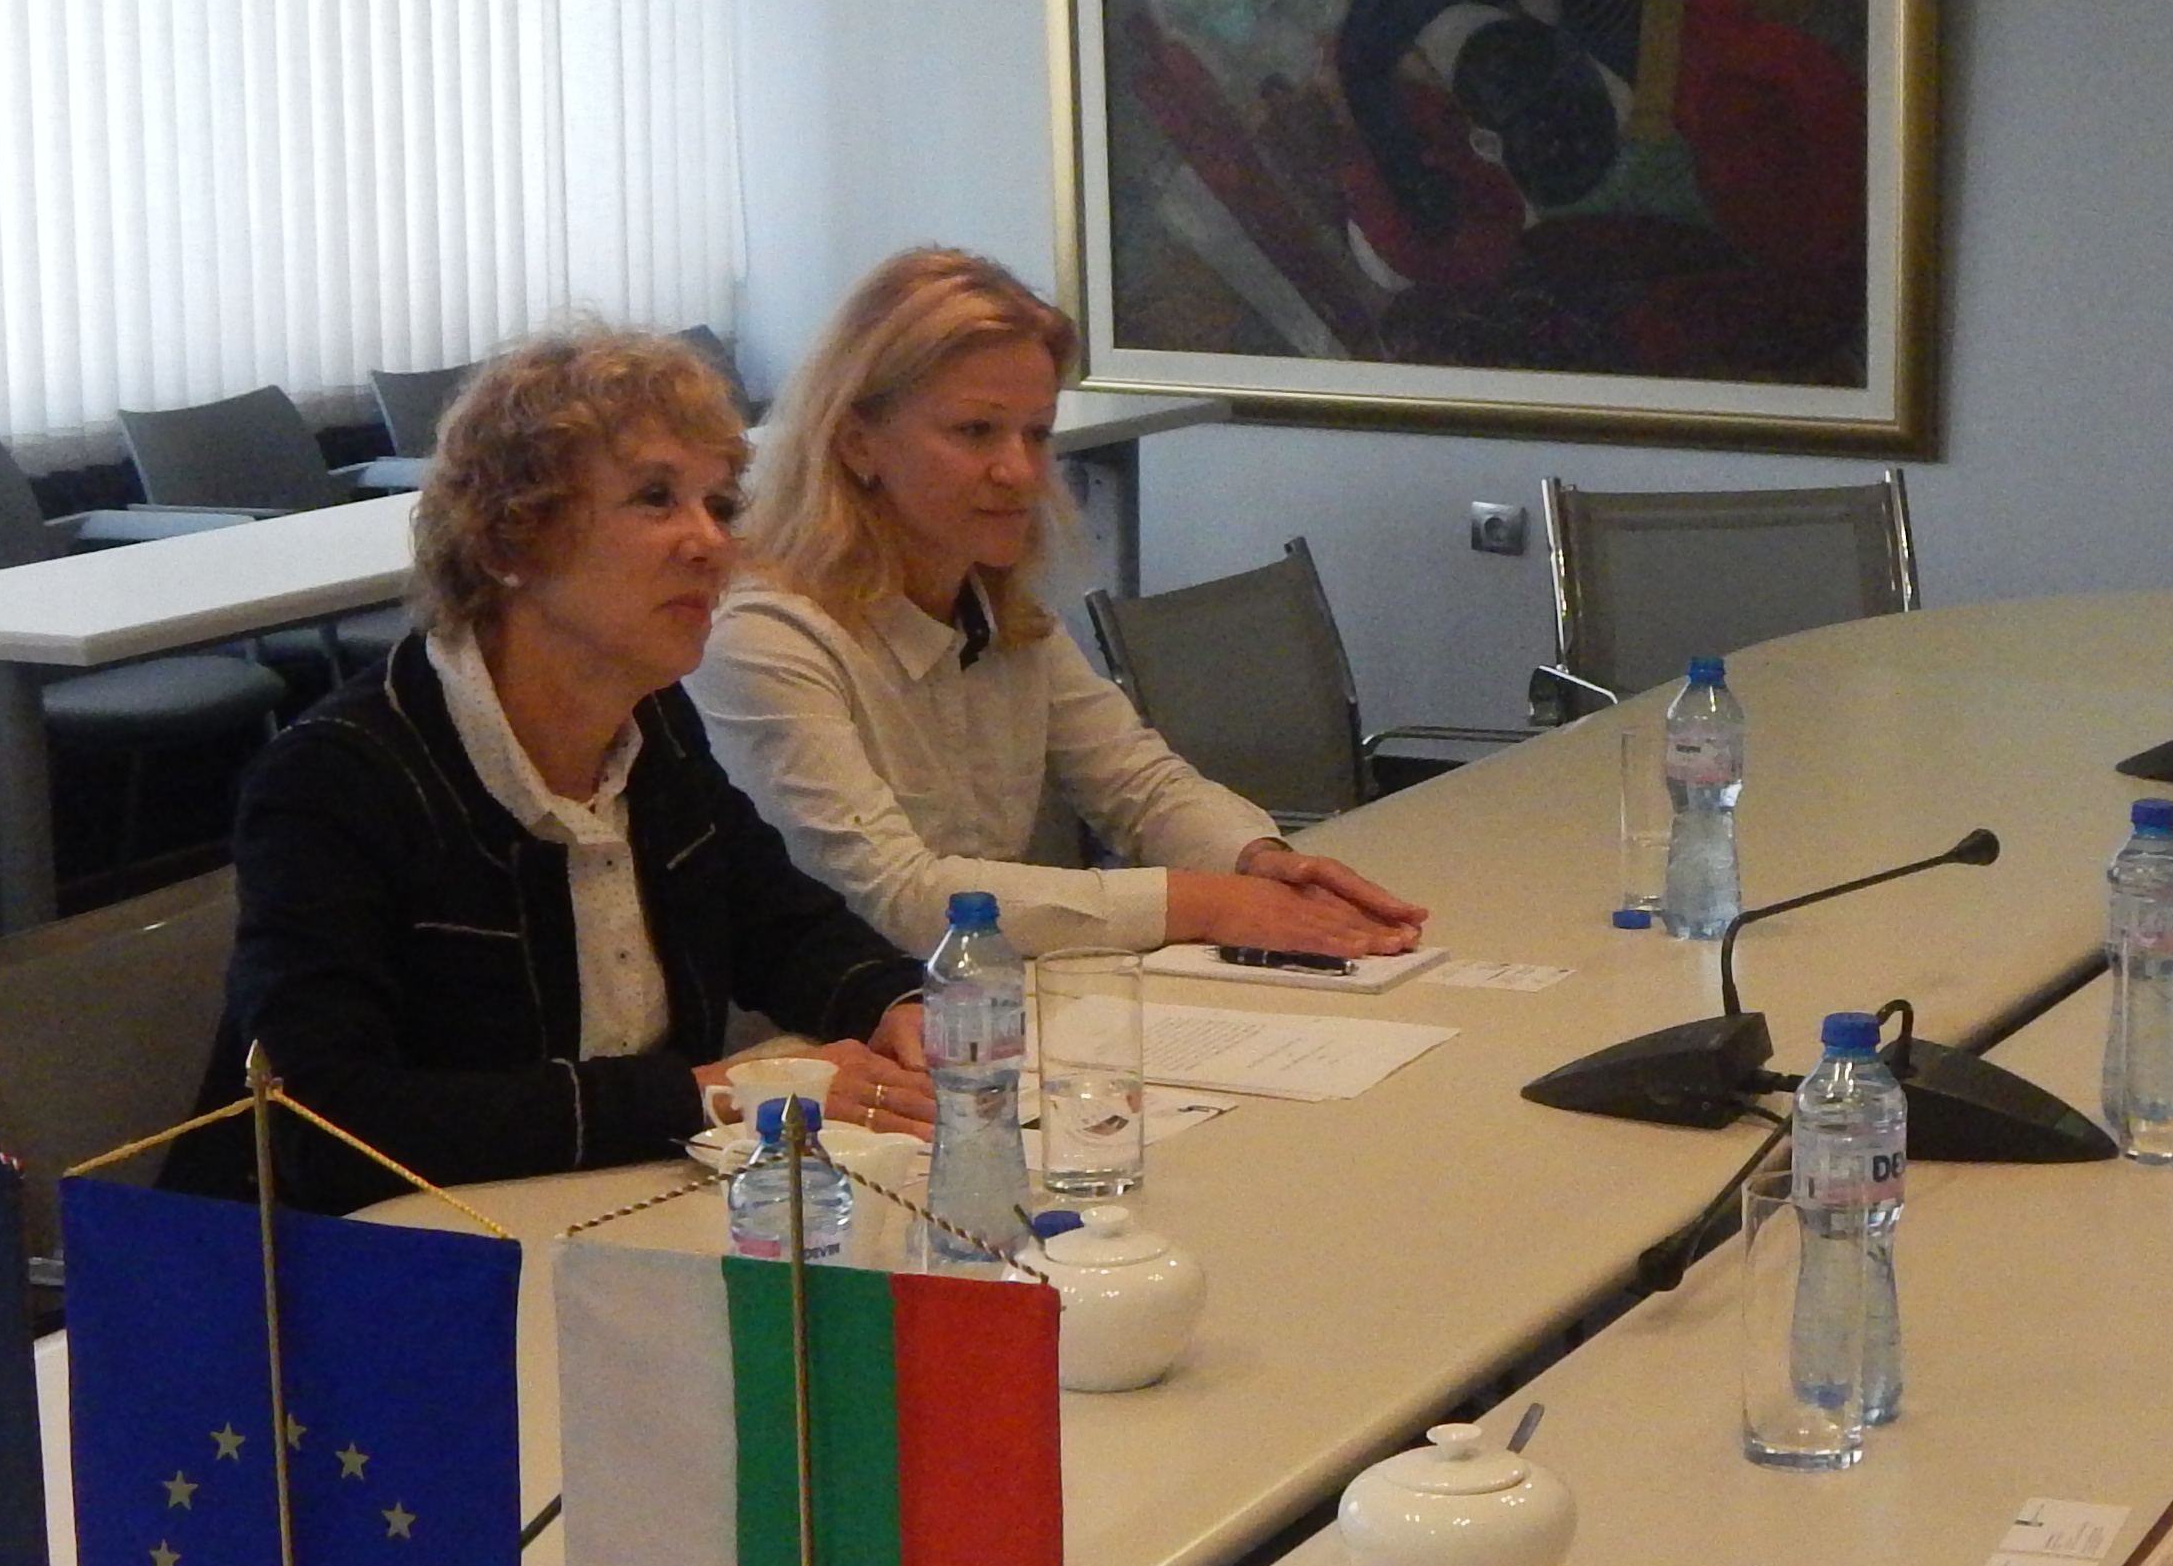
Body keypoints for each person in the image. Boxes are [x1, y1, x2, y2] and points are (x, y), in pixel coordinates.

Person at [173, 331, 935, 1212]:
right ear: (510, 540)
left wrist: (892, 1004)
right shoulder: (337, 778)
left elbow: (779, 924)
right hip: (351, 1264)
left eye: (719, 505)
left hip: (605, 1216)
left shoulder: (651, 720)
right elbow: (327, 1122)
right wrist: (703, 1095)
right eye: (656, 498)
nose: (709, 544)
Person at [691, 249, 1425, 962]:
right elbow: (901, 898)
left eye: (1036, 434)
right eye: (976, 431)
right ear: (858, 444)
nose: (1020, 471)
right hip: (835, 1032)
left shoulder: (999, 609)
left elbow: (1139, 786)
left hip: (986, 1008)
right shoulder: (764, 637)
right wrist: (1205, 902)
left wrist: (1258, 862)